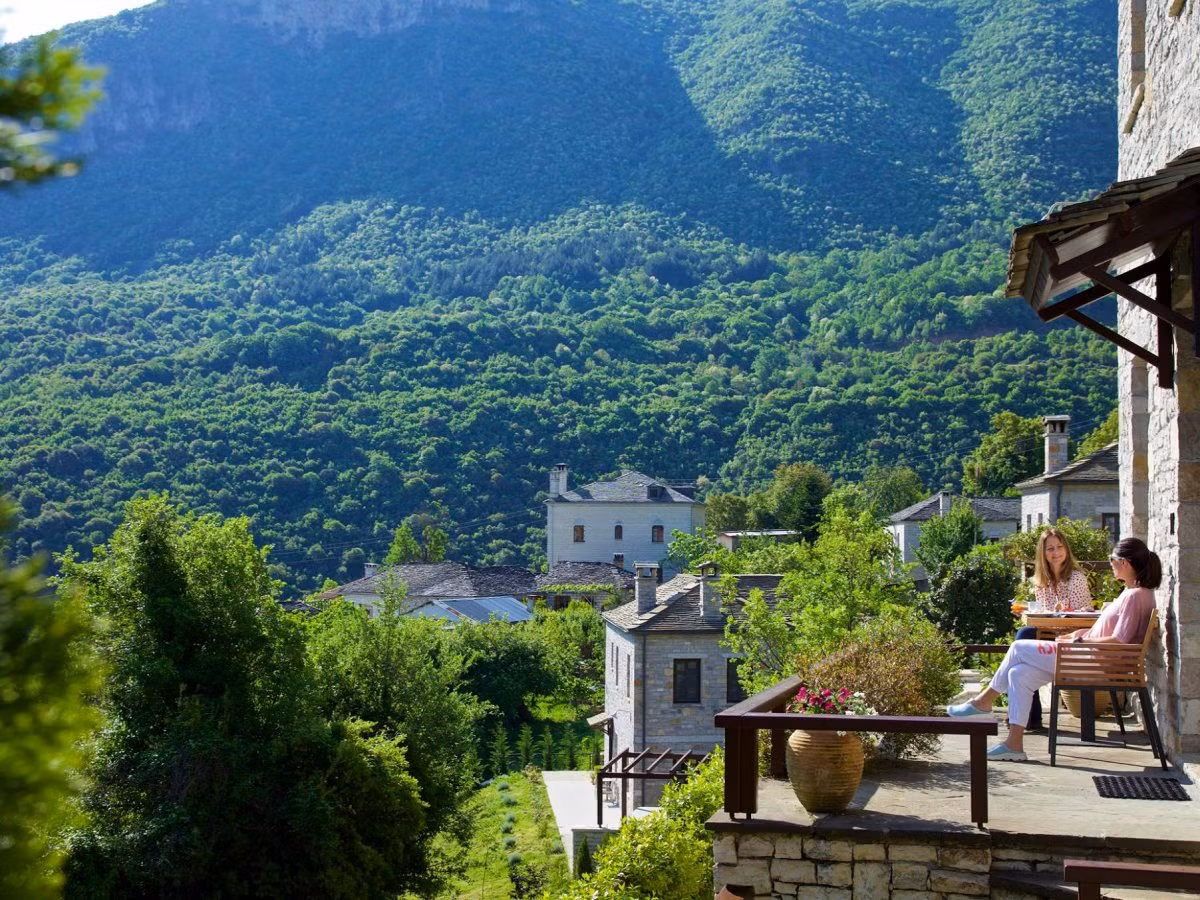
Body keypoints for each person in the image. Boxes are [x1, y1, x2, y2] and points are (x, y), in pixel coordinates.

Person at [948, 537, 1160, 762]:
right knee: (1018, 674)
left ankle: (983, 702)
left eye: (1112, 560)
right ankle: (1014, 745)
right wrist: (1078, 635)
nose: (1110, 564)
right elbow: (1111, 634)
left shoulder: (1135, 596)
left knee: (1019, 647)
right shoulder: (1135, 593)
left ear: (1124, 563)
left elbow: (1119, 639)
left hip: (1090, 663)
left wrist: (1079, 643)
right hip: (1088, 659)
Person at [1013, 528, 1093, 731]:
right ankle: (1029, 718)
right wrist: (1028, 613)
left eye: (1059, 547)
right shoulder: (1041, 582)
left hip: (1071, 638)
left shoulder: (1076, 579)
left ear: (1066, 549)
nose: (1055, 552)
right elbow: (1044, 614)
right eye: (1050, 549)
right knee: (1021, 654)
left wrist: (1065, 612)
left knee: (1022, 642)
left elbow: (1083, 616)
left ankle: (1027, 718)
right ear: (1043, 553)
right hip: (1049, 633)